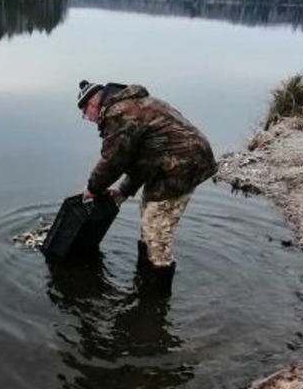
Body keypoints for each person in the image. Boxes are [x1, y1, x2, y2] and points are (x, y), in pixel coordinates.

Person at [76, 80, 217, 294]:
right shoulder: (130, 105)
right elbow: (141, 156)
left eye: (85, 112)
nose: (87, 118)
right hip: (172, 162)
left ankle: (155, 301)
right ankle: (144, 276)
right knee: (149, 211)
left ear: (93, 102)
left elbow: (113, 160)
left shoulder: (120, 113)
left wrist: (92, 189)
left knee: (156, 226)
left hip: (184, 163)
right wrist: (123, 191)